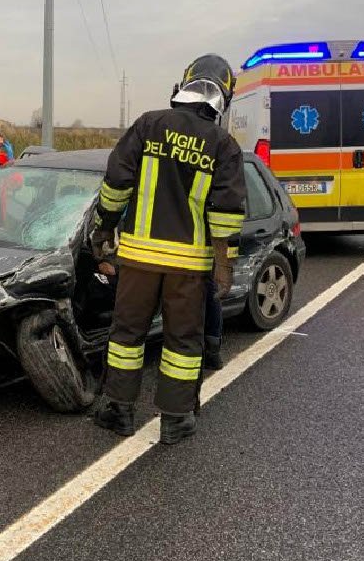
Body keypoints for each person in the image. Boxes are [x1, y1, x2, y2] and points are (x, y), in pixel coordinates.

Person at [89, 54, 247, 444]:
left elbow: (115, 185)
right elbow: (226, 212)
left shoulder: (148, 124)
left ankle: (119, 412)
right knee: (183, 343)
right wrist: (223, 266)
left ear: (184, 85)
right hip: (189, 266)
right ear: (223, 98)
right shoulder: (223, 144)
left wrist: (102, 231)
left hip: (139, 260)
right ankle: (175, 421)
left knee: (127, 334)